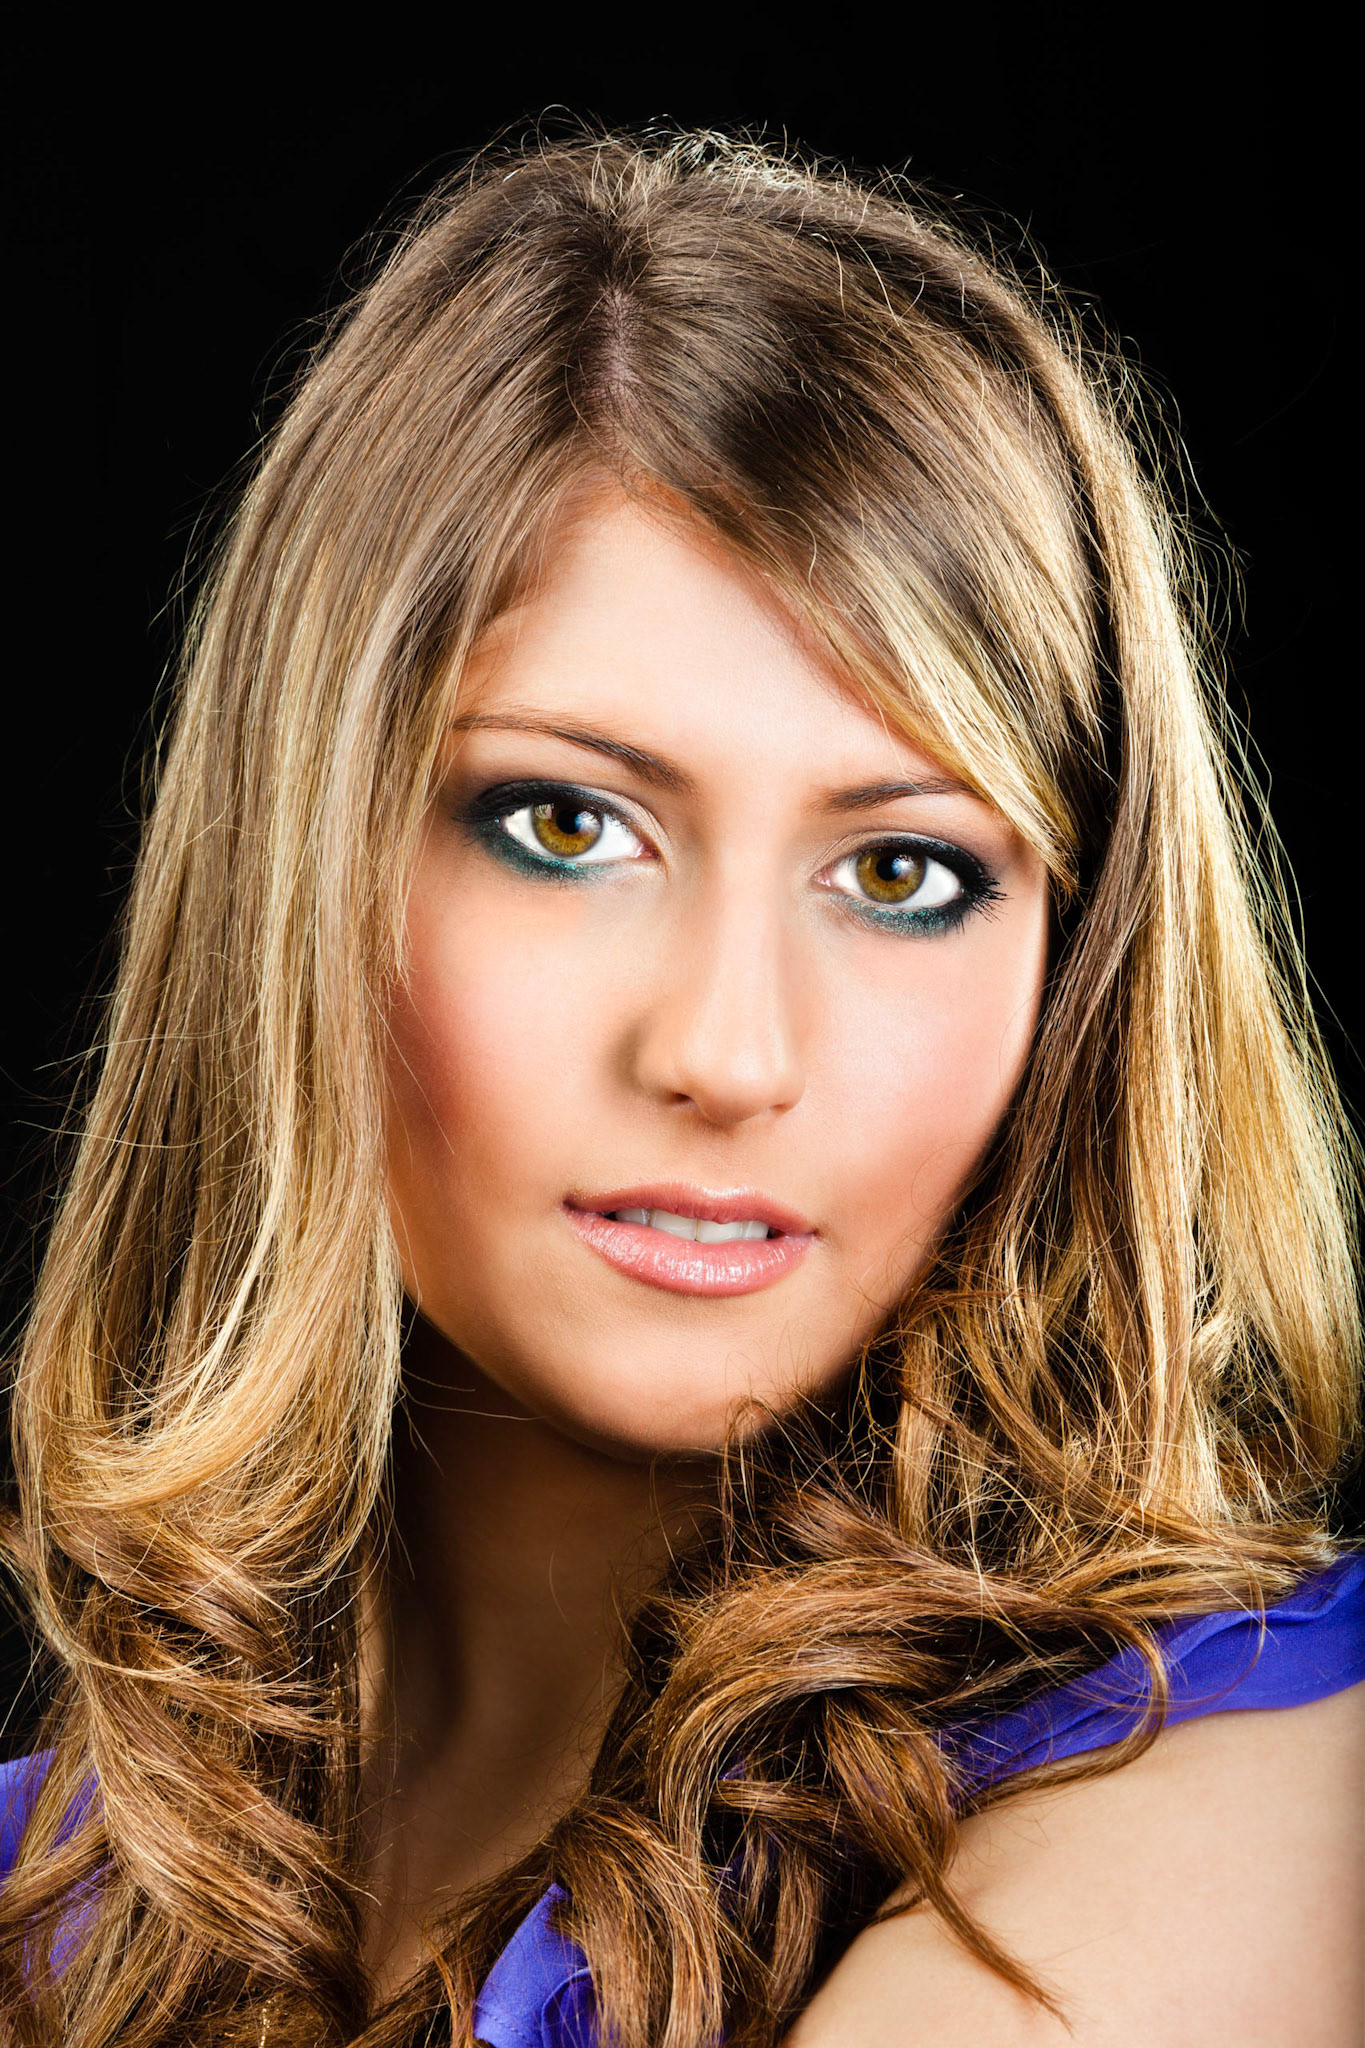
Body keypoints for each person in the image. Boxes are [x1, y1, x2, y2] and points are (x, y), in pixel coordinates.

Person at [0, 125, 1361, 2048]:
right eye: (568, 826)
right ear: (297, 870)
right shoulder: (54, 1900)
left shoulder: (1240, 1817)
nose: (727, 1054)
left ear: (1077, 968)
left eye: (902, 872)